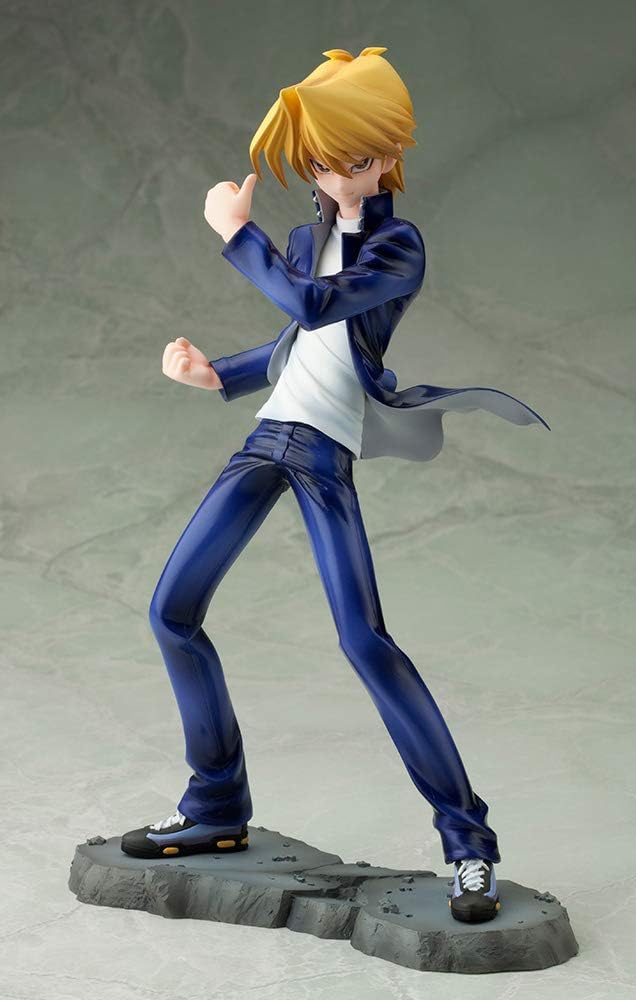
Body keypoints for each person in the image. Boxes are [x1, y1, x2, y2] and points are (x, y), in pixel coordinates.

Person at [120, 46, 550, 925]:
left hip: (323, 452)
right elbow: (299, 345)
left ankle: (467, 844)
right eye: (319, 161)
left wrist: (233, 233)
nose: (333, 174)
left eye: (352, 158)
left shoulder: (397, 245)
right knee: (171, 612)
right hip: (267, 435)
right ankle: (216, 804)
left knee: (364, 641)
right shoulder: (302, 240)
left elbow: (318, 308)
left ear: (388, 156)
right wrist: (217, 374)